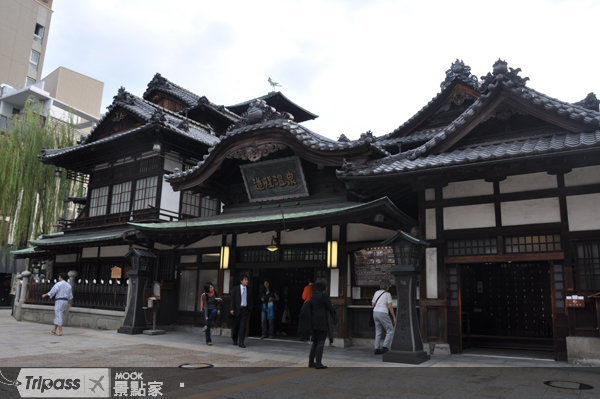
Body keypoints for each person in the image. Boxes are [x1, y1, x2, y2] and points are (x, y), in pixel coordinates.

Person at [308, 277, 335, 369]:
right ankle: (318, 362)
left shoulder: (314, 295)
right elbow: (331, 308)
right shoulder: (324, 296)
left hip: (314, 320)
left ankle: (311, 362)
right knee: (321, 342)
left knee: (314, 342)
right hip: (322, 321)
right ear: (324, 287)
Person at [372, 279, 396, 355]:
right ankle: (385, 347)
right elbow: (390, 306)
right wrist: (394, 317)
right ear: (386, 286)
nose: (389, 287)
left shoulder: (376, 292)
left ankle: (376, 349)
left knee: (378, 331)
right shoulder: (387, 294)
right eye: (388, 286)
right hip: (383, 313)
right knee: (390, 330)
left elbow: (373, 304)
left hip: (375, 312)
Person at [230, 274, 252, 348]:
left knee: (243, 326)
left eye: (247, 279)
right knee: (236, 326)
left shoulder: (249, 289)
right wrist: (232, 309)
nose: (247, 281)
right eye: (245, 280)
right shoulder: (236, 288)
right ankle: (235, 339)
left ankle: (241, 342)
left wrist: (249, 308)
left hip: (245, 309)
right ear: (241, 281)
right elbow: (232, 299)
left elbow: (251, 299)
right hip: (237, 309)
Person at [301, 277, 314, 343]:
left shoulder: (307, 288)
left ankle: (305, 336)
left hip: (307, 305)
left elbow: (304, 297)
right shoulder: (315, 287)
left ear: (308, 280)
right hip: (314, 305)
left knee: (306, 321)